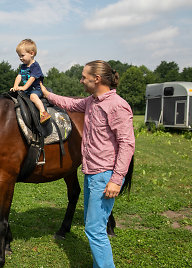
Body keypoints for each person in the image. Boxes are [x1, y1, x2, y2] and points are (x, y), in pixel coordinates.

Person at [40, 60, 135, 268]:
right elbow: (70, 104)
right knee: (94, 227)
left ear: (97, 79)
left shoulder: (117, 106)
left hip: (105, 175)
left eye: (84, 77)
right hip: (91, 173)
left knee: (95, 229)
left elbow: (127, 144)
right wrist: (47, 94)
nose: (81, 80)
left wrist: (116, 180)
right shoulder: (91, 101)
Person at [10, 39, 51, 123]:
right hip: (27, 90)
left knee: (33, 96)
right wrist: (15, 86)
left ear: (31, 53)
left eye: (22, 55)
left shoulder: (35, 66)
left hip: (36, 89)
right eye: (19, 56)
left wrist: (23, 87)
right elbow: (19, 76)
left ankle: (43, 112)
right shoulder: (23, 66)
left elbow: (32, 78)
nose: (20, 58)